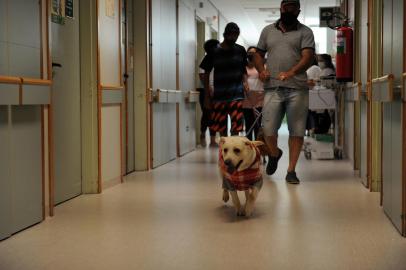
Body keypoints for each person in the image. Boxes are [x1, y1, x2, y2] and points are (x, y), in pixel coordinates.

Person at [253, 0, 315, 184]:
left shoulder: (305, 32)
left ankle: (291, 171)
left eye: (293, 7)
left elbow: (308, 57)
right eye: (286, 6)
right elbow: (258, 54)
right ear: (280, 8)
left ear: (298, 10)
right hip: (272, 87)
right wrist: (260, 70)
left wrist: (291, 72)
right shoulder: (267, 31)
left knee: (296, 130)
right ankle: (274, 153)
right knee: (268, 129)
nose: (289, 9)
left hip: (298, 89)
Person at [200, 22, 248, 137]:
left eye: (236, 35)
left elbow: (243, 70)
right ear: (225, 34)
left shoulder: (240, 50)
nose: (234, 37)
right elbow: (206, 73)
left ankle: (234, 152)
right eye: (231, 34)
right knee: (221, 129)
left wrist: (245, 82)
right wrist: (207, 97)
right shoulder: (214, 51)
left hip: (236, 95)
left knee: (236, 128)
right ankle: (224, 154)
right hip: (219, 96)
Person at [198, 39, 219, 147]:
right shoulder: (205, 59)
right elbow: (202, 75)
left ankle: (212, 140)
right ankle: (202, 133)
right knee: (207, 114)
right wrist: (208, 89)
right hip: (204, 91)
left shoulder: (219, 59)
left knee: (214, 116)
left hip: (216, 91)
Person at [242, 46, 265, 141]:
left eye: (253, 53)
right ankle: (248, 148)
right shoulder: (243, 67)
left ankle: (258, 149)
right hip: (247, 100)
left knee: (258, 126)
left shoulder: (262, 67)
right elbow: (242, 81)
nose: (251, 55)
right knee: (248, 125)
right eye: (249, 53)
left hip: (260, 100)